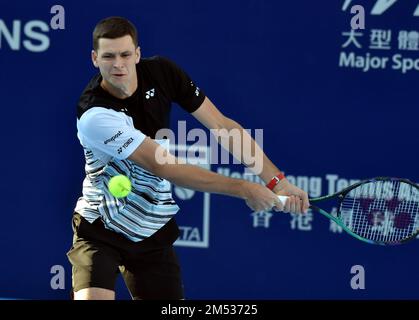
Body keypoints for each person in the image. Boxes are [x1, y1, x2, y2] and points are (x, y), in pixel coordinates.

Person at [67, 16, 309, 300]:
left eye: (125, 54)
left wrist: (275, 181)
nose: (118, 64)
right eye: (108, 56)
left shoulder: (163, 73)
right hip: (100, 226)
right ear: (95, 58)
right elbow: (161, 164)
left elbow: (222, 126)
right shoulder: (95, 114)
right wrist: (243, 187)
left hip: (152, 228)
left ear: (138, 54)